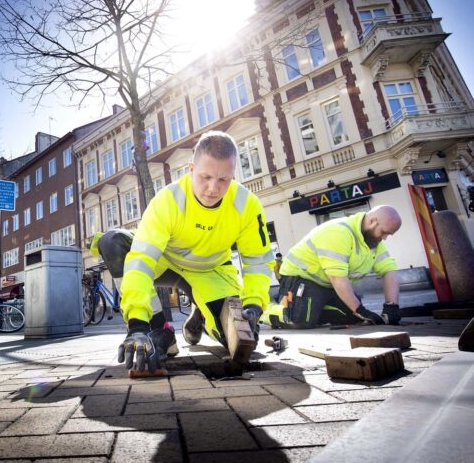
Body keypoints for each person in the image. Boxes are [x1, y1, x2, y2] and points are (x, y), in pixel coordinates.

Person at [96, 131, 274, 372]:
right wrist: (137, 325)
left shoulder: (247, 205)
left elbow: (258, 261)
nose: (213, 188)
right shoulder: (168, 200)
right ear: (191, 169)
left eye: (224, 180)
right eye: (205, 177)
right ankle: (160, 331)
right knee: (112, 242)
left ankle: (202, 315)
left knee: (238, 341)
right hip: (166, 263)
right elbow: (141, 261)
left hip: (210, 271)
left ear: (234, 175)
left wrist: (253, 305)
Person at [263, 205, 402, 329]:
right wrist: (360, 310)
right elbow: (337, 278)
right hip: (300, 278)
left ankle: (312, 309)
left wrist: (392, 306)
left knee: (353, 317)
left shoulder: (373, 241)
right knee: (301, 319)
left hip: (327, 284)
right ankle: (264, 311)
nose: (384, 238)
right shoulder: (339, 232)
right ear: (372, 222)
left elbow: (389, 270)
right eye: (384, 232)